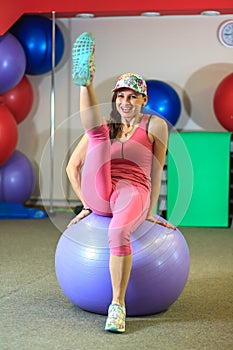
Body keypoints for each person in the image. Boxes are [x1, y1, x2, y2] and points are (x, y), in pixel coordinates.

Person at [66, 32, 175, 333]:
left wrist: (151, 211)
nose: (126, 102)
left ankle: (117, 306)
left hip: (133, 190)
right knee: (98, 135)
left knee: (117, 230)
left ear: (144, 100)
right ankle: (85, 80)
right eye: (121, 96)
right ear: (115, 99)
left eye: (132, 96)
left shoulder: (156, 125)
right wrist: (87, 205)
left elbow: (156, 170)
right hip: (101, 190)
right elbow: (73, 168)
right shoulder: (108, 127)